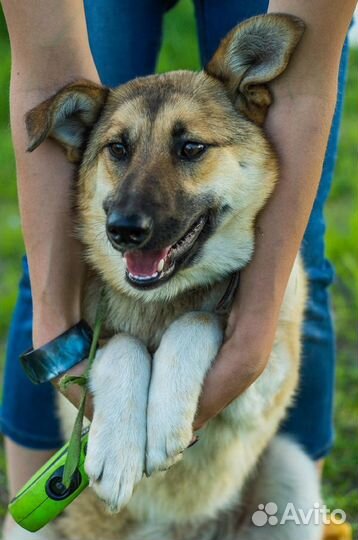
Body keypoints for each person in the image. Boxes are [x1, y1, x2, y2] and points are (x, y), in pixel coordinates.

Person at [0, 1, 355, 539]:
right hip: (108, 518)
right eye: (118, 150)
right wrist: (92, 350)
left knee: (299, 258)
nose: (130, 215)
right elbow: (46, 64)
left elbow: (302, 86)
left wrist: (242, 332)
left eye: (190, 149)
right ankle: (44, 524)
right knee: (50, 266)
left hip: (235, 497)